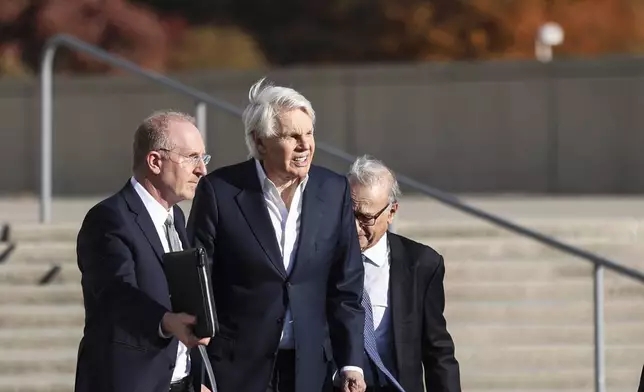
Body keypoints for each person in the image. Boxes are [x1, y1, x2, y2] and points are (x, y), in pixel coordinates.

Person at [187, 78, 366, 392]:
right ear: (259, 142)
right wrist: (200, 371)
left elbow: (346, 286)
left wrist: (350, 363)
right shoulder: (219, 192)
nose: (305, 145)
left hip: (310, 370)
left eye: (309, 133)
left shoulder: (333, 189)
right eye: (292, 136)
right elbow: (197, 288)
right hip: (235, 371)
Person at [74, 111, 211, 392]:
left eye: (203, 158)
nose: (201, 170)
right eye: (191, 157)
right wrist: (165, 321)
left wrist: (196, 381)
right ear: (155, 162)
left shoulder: (177, 219)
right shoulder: (108, 219)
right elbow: (115, 292)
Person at [342, 155, 461, 392]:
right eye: (349, 214)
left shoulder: (421, 264)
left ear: (392, 212)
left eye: (366, 218)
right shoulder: (321, 258)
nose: (355, 227)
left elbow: (437, 351)